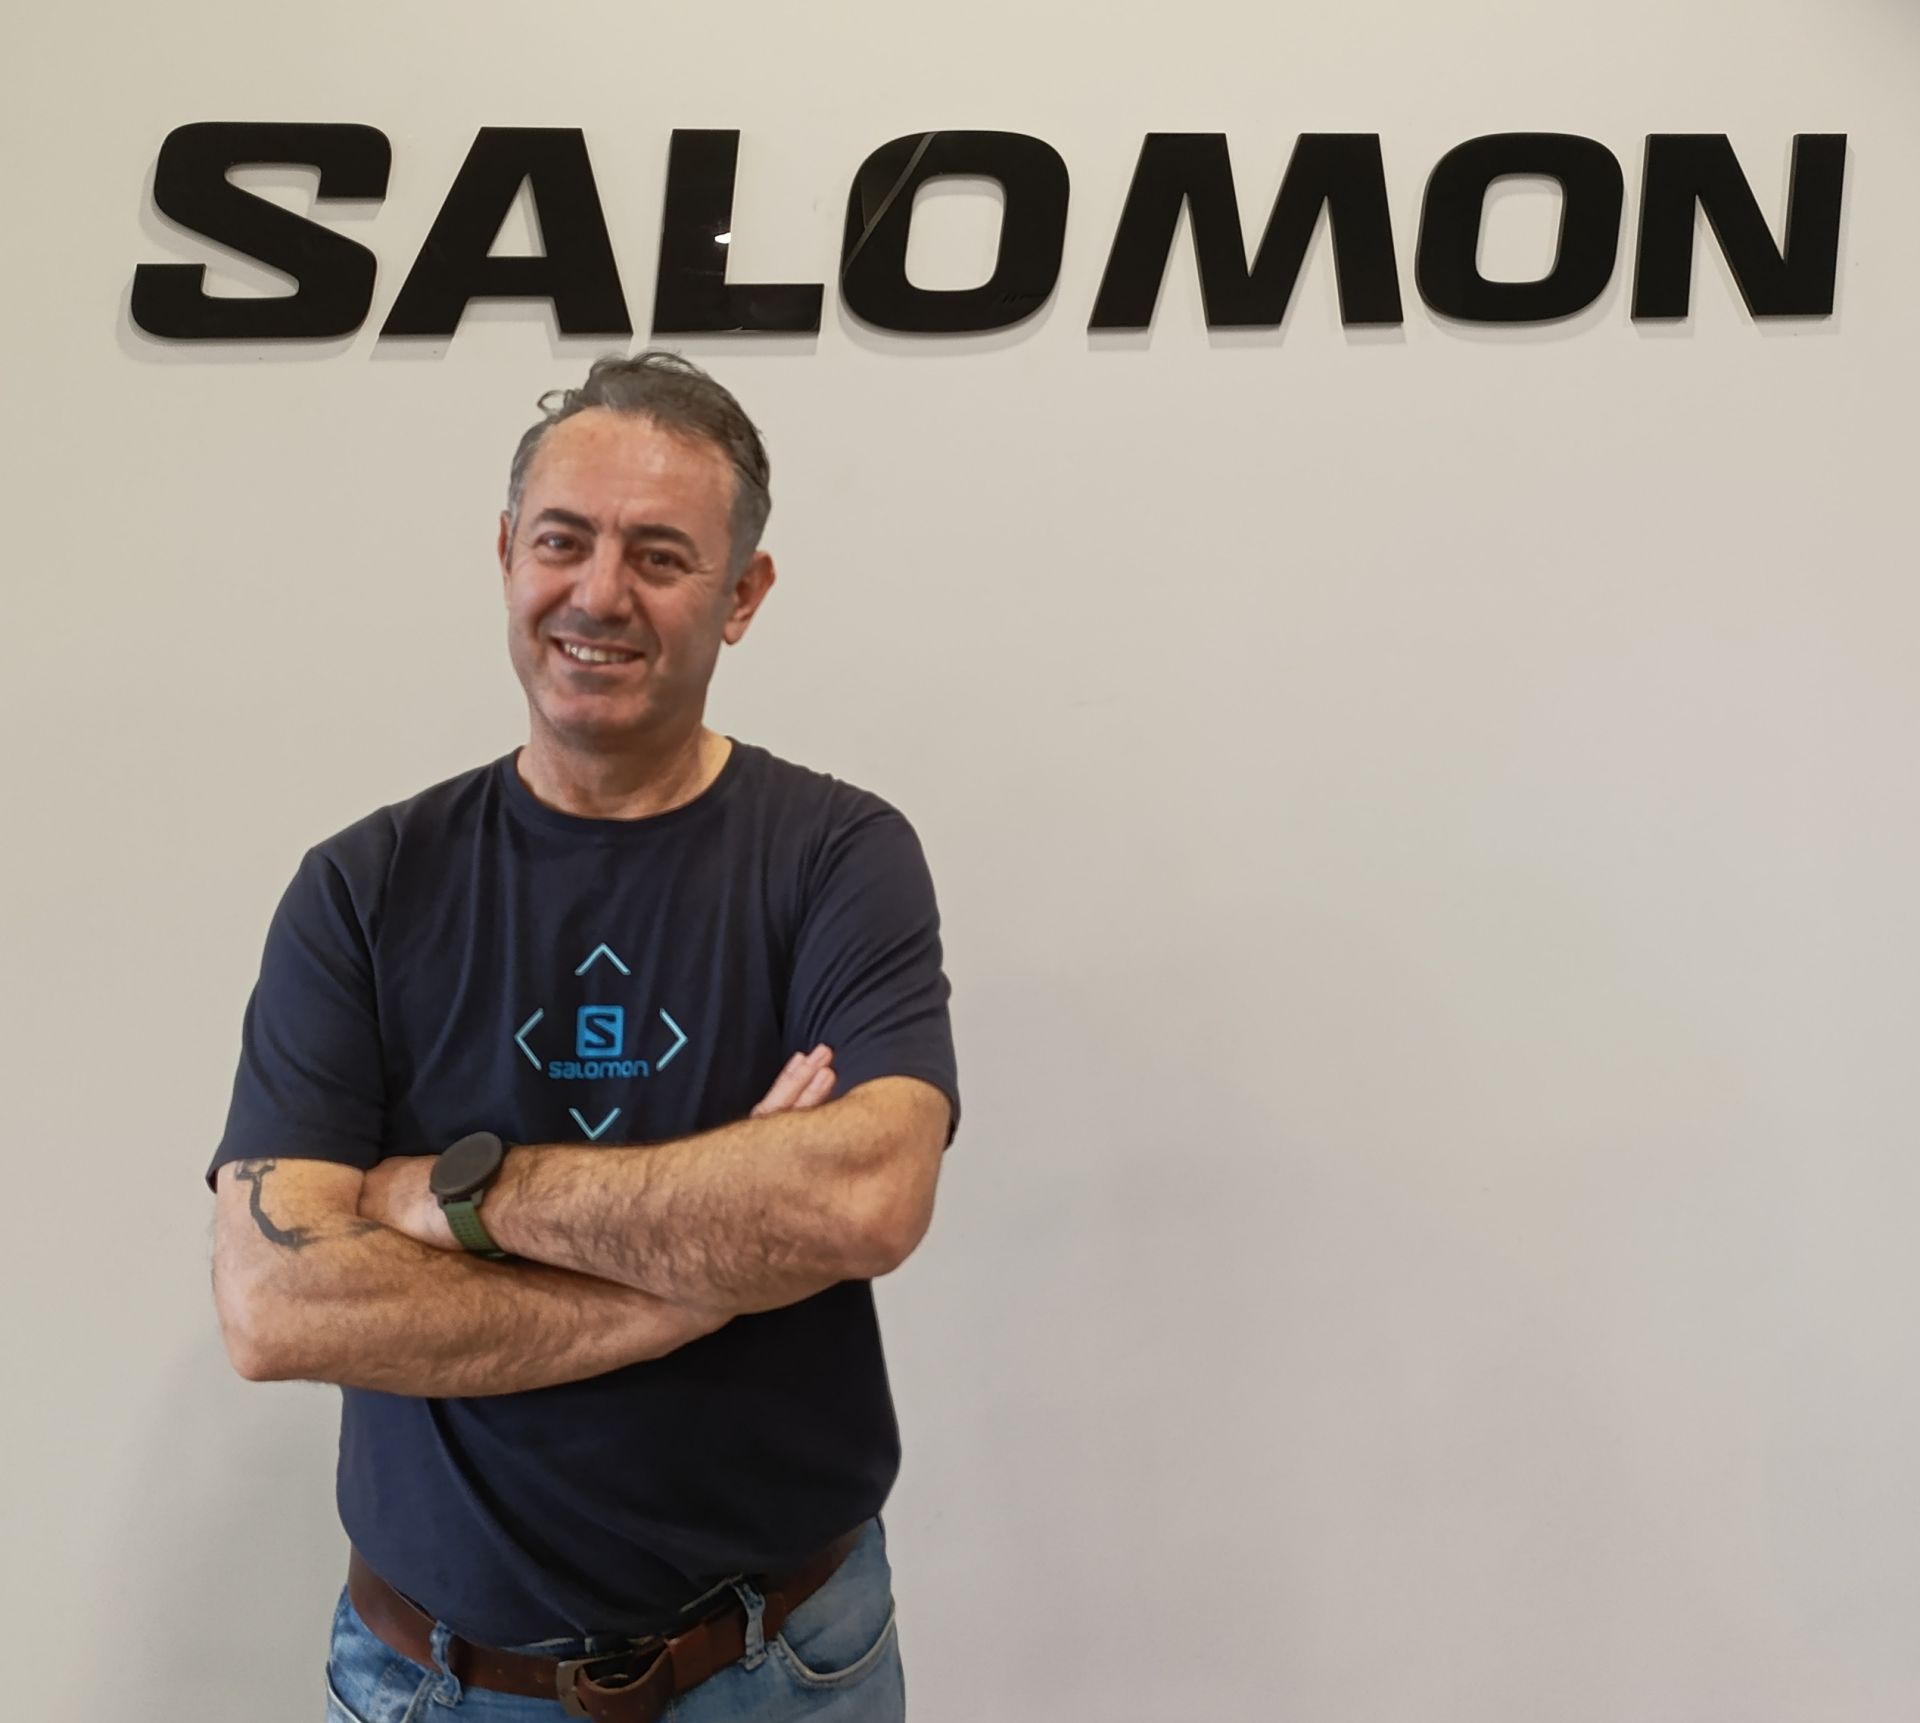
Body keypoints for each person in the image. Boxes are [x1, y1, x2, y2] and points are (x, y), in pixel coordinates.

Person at [205, 350, 961, 1723]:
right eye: (563, 541)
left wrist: (455, 1197)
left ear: (743, 596)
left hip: (788, 1666)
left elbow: (865, 1196)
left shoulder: (836, 857)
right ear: (506, 555)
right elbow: (277, 1303)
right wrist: (694, 1288)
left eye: (661, 556)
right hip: (436, 1682)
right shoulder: (364, 888)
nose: (599, 593)